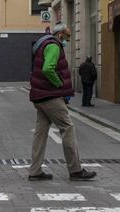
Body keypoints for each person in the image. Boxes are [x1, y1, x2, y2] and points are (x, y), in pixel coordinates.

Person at [29, 22, 96, 181]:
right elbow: (47, 68)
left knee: (40, 133)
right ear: (60, 35)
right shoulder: (53, 46)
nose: (67, 40)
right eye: (67, 37)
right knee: (68, 128)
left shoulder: (44, 45)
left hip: (40, 96)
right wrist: (59, 84)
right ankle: (75, 170)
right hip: (50, 96)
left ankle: (35, 170)